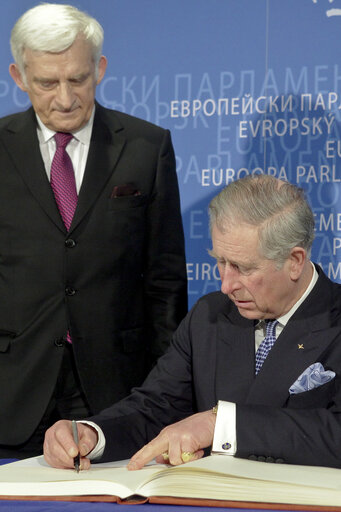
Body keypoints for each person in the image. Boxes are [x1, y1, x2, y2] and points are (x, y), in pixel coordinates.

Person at [44, 174, 341, 471]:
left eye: (243, 268)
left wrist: (220, 424)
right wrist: (92, 435)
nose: (226, 285)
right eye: (220, 262)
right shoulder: (209, 315)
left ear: (295, 261)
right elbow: (155, 408)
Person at [0, 3, 187, 458]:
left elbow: (165, 283)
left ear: (99, 69)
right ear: (19, 76)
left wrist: (165, 395)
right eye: (46, 82)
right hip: (13, 391)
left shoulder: (147, 147)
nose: (64, 98)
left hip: (117, 394)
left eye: (77, 79)